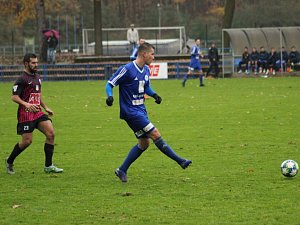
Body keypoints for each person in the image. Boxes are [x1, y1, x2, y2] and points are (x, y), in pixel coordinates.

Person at [105, 42, 192, 182]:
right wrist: (110, 96)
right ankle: (180, 161)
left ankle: (122, 169)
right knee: (155, 133)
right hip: (131, 112)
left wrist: (154, 95)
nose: (154, 57)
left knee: (144, 143)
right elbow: (110, 83)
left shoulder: (146, 70)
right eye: (152, 54)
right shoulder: (127, 69)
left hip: (141, 111)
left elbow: (146, 87)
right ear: (143, 54)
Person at [5, 53, 63, 175]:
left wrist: (45, 107)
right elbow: (14, 97)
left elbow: (38, 94)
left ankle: (48, 166)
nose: (36, 65)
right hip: (25, 114)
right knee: (27, 141)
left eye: (37, 62)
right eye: (33, 63)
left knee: (51, 134)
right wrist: (26, 104)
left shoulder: (37, 76)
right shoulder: (21, 79)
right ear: (26, 63)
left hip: (37, 112)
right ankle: (9, 161)